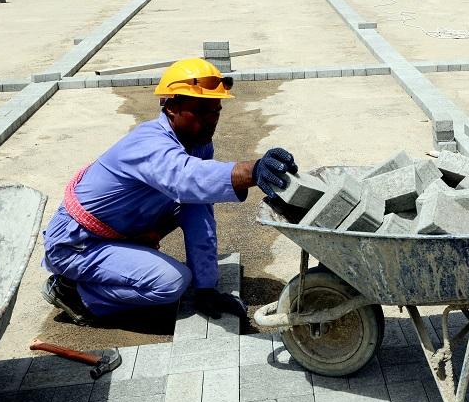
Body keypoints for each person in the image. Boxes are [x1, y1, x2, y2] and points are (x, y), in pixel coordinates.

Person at [40, 58, 298, 327]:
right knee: (171, 282)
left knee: (196, 204)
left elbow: (200, 214)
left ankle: (128, 272)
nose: (211, 119)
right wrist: (252, 171)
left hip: (118, 228)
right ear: (172, 108)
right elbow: (187, 178)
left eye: (216, 111)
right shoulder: (149, 144)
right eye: (201, 111)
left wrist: (207, 288)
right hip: (77, 244)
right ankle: (75, 292)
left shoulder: (197, 144)